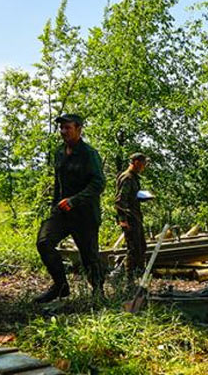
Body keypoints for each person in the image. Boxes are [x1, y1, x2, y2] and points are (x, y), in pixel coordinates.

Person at [34, 114, 106, 303]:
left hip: (84, 214)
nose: (63, 131)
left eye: (68, 128)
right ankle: (61, 286)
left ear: (79, 129)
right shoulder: (59, 152)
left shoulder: (89, 154)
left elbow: (98, 183)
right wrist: (54, 206)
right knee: (44, 242)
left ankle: (98, 293)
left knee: (89, 256)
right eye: (62, 128)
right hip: (62, 212)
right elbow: (58, 183)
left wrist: (74, 200)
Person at [115, 152, 149, 287]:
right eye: (143, 163)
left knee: (141, 247)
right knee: (133, 249)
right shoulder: (127, 177)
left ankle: (137, 277)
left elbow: (131, 197)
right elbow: (119, 201)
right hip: (130, 219)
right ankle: (128, 280)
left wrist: (142, 197)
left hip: (135, 217)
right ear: (135, 162)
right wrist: (123, 220)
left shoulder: (134, 177)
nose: (144, 166)